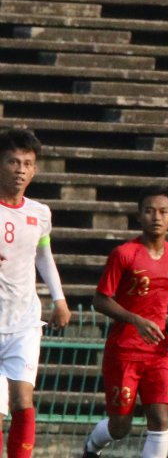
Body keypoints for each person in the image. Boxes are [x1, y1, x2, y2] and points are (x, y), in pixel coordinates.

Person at [82, 185, 168, 458]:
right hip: (124, 351)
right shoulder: (124, 254)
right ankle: (91, 447)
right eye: (150, 211)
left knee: (160, 419)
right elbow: (100, 299)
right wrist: (136, 320)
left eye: (163, 211)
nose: (156, 216)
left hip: (158, 352)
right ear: (139, 216)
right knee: (120, 427)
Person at [0, 128, 72, 457]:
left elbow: (43, 255)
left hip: (25, 321)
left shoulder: (40, 213)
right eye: (13, 161)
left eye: (27, 163)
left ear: (35, 169)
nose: (20, 169)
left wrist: (59, 299)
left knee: (22, 400)